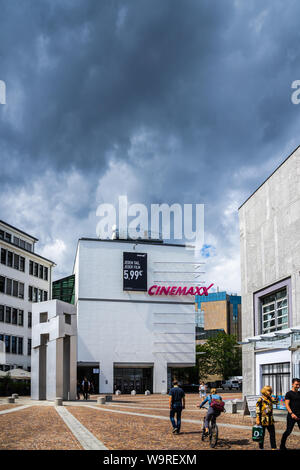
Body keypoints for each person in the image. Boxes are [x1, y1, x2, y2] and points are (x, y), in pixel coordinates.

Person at [255, 385, 278, 450]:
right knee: (262, 435)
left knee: (272, 435)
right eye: (268, 391)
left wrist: (274, 399)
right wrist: (257, 419)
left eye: (270, 391)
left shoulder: (270, 398)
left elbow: (276, 403)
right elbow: (257, 410)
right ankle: (261, 447)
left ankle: (273, 448)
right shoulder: (260, 400)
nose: (270, 392)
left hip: (270, 420)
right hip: (263, 420)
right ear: (264, 391)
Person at [280, 378, 300, 450]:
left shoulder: (299, 393)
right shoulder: (289, 394)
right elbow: (287, 405)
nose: (298, 386)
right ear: (292, 384)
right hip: (292, 416)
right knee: (288, 431)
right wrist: (292, 413)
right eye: (296, 384)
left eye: (299, 384)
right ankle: (282, 446)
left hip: (299, 415)